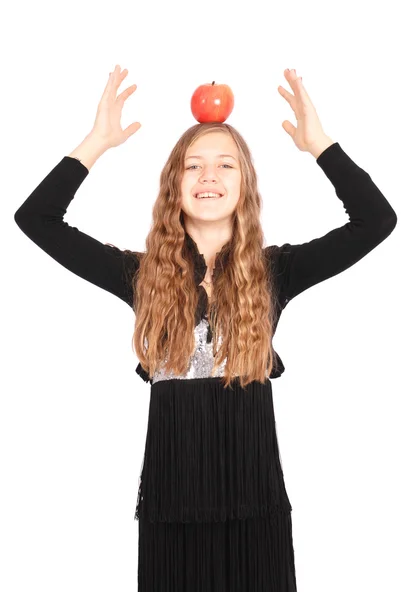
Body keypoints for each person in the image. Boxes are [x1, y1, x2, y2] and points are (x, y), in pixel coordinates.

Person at [14, 65, 397, 591]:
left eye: (225, 166)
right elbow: (36, 219)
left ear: (246, 186)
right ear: (175, 185)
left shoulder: (274, 273)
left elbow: (376, 221)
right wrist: (96, 142)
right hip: (172, 519)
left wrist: (320, 145)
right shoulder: (142, 276)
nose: (209, 177)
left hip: (256, 514)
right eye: (193, 166)